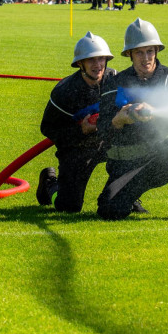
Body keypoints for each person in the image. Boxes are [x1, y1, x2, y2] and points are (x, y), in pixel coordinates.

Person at [96, 19, 168, 221]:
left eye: (150, 51)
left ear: (157, 50)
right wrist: (119, 120)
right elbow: (102, 127)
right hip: (124, 165)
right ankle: (131, 197)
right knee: (108, 210)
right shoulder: (115, 83)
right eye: (139, 52)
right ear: (129, 54)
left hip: (156, 162)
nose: (146, 58)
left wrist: (155, 112)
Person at [36, 32, 147, 214]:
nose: (98, 65)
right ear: (80, 63)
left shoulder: (115, 81)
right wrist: (81, 130)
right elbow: (48, 128)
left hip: (108, 141)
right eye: (91, 60)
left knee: (136, 147)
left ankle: (126, 196)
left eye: (101, 59)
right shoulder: (65, 92)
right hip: (77, 148)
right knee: (68, 206)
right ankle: (50, 185)